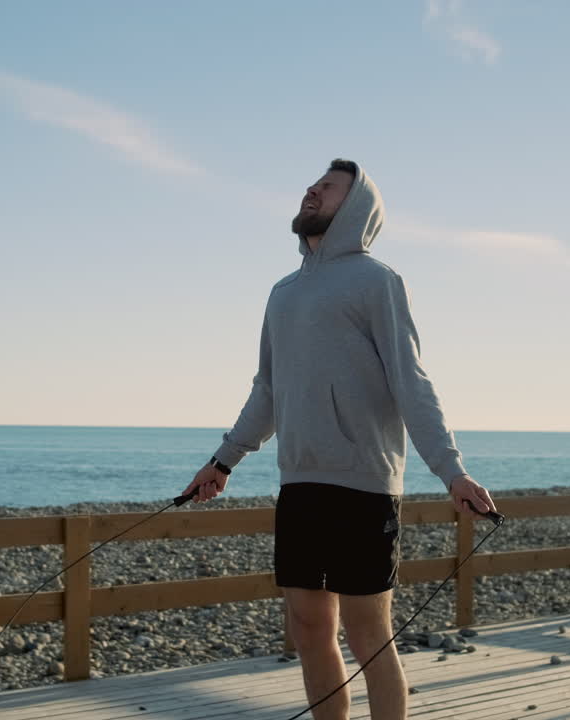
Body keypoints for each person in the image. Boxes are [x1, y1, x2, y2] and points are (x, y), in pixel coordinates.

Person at [180, 158, 496, 720]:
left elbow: (411, 380)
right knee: (307, 628)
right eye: (312, 185)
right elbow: (268, 391)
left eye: (326, 189)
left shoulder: (377, 281)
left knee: (367, 631)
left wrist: (451, 469)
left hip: (363, 485)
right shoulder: (282, 293)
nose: (312, 191)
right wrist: (222, 461)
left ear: (353, 208)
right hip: (300, 484)